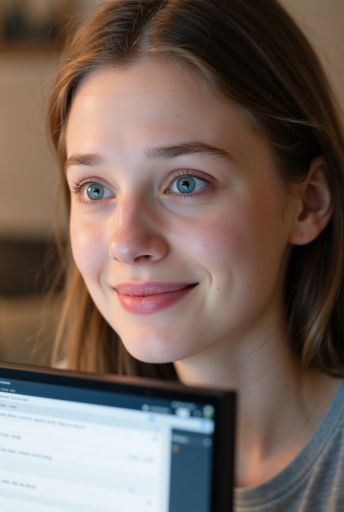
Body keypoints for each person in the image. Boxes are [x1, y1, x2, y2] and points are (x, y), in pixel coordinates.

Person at [46, 0, 344, 510]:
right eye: (95, 189)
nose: (126, 242)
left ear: (308, 203)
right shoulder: (58, 428)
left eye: (186, 183)